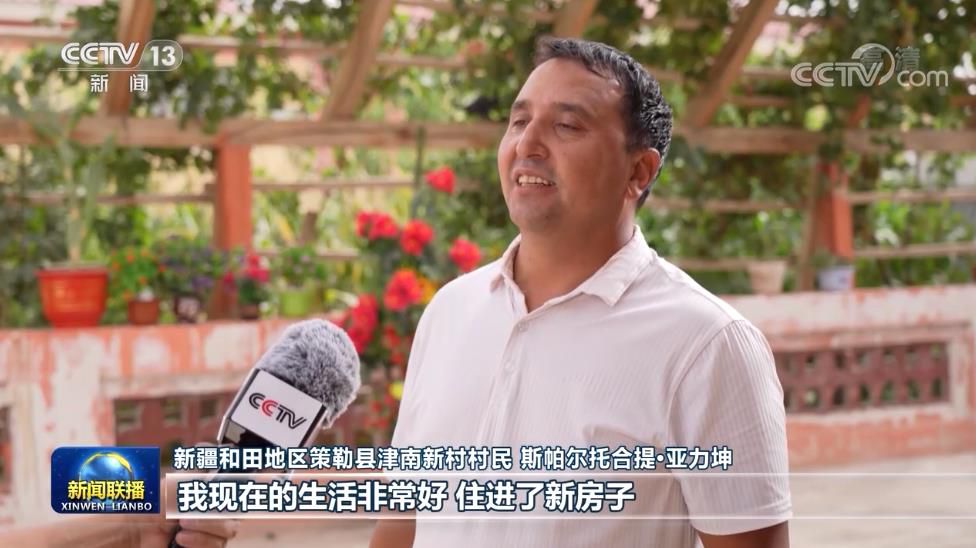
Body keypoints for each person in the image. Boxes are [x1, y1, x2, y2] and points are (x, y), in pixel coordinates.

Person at [370, 37, 791, 548]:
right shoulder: (450, 311)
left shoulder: (707, 344)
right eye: (519, 121)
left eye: (566, 126)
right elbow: (402, 523)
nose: (527, 144)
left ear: (638, 171)